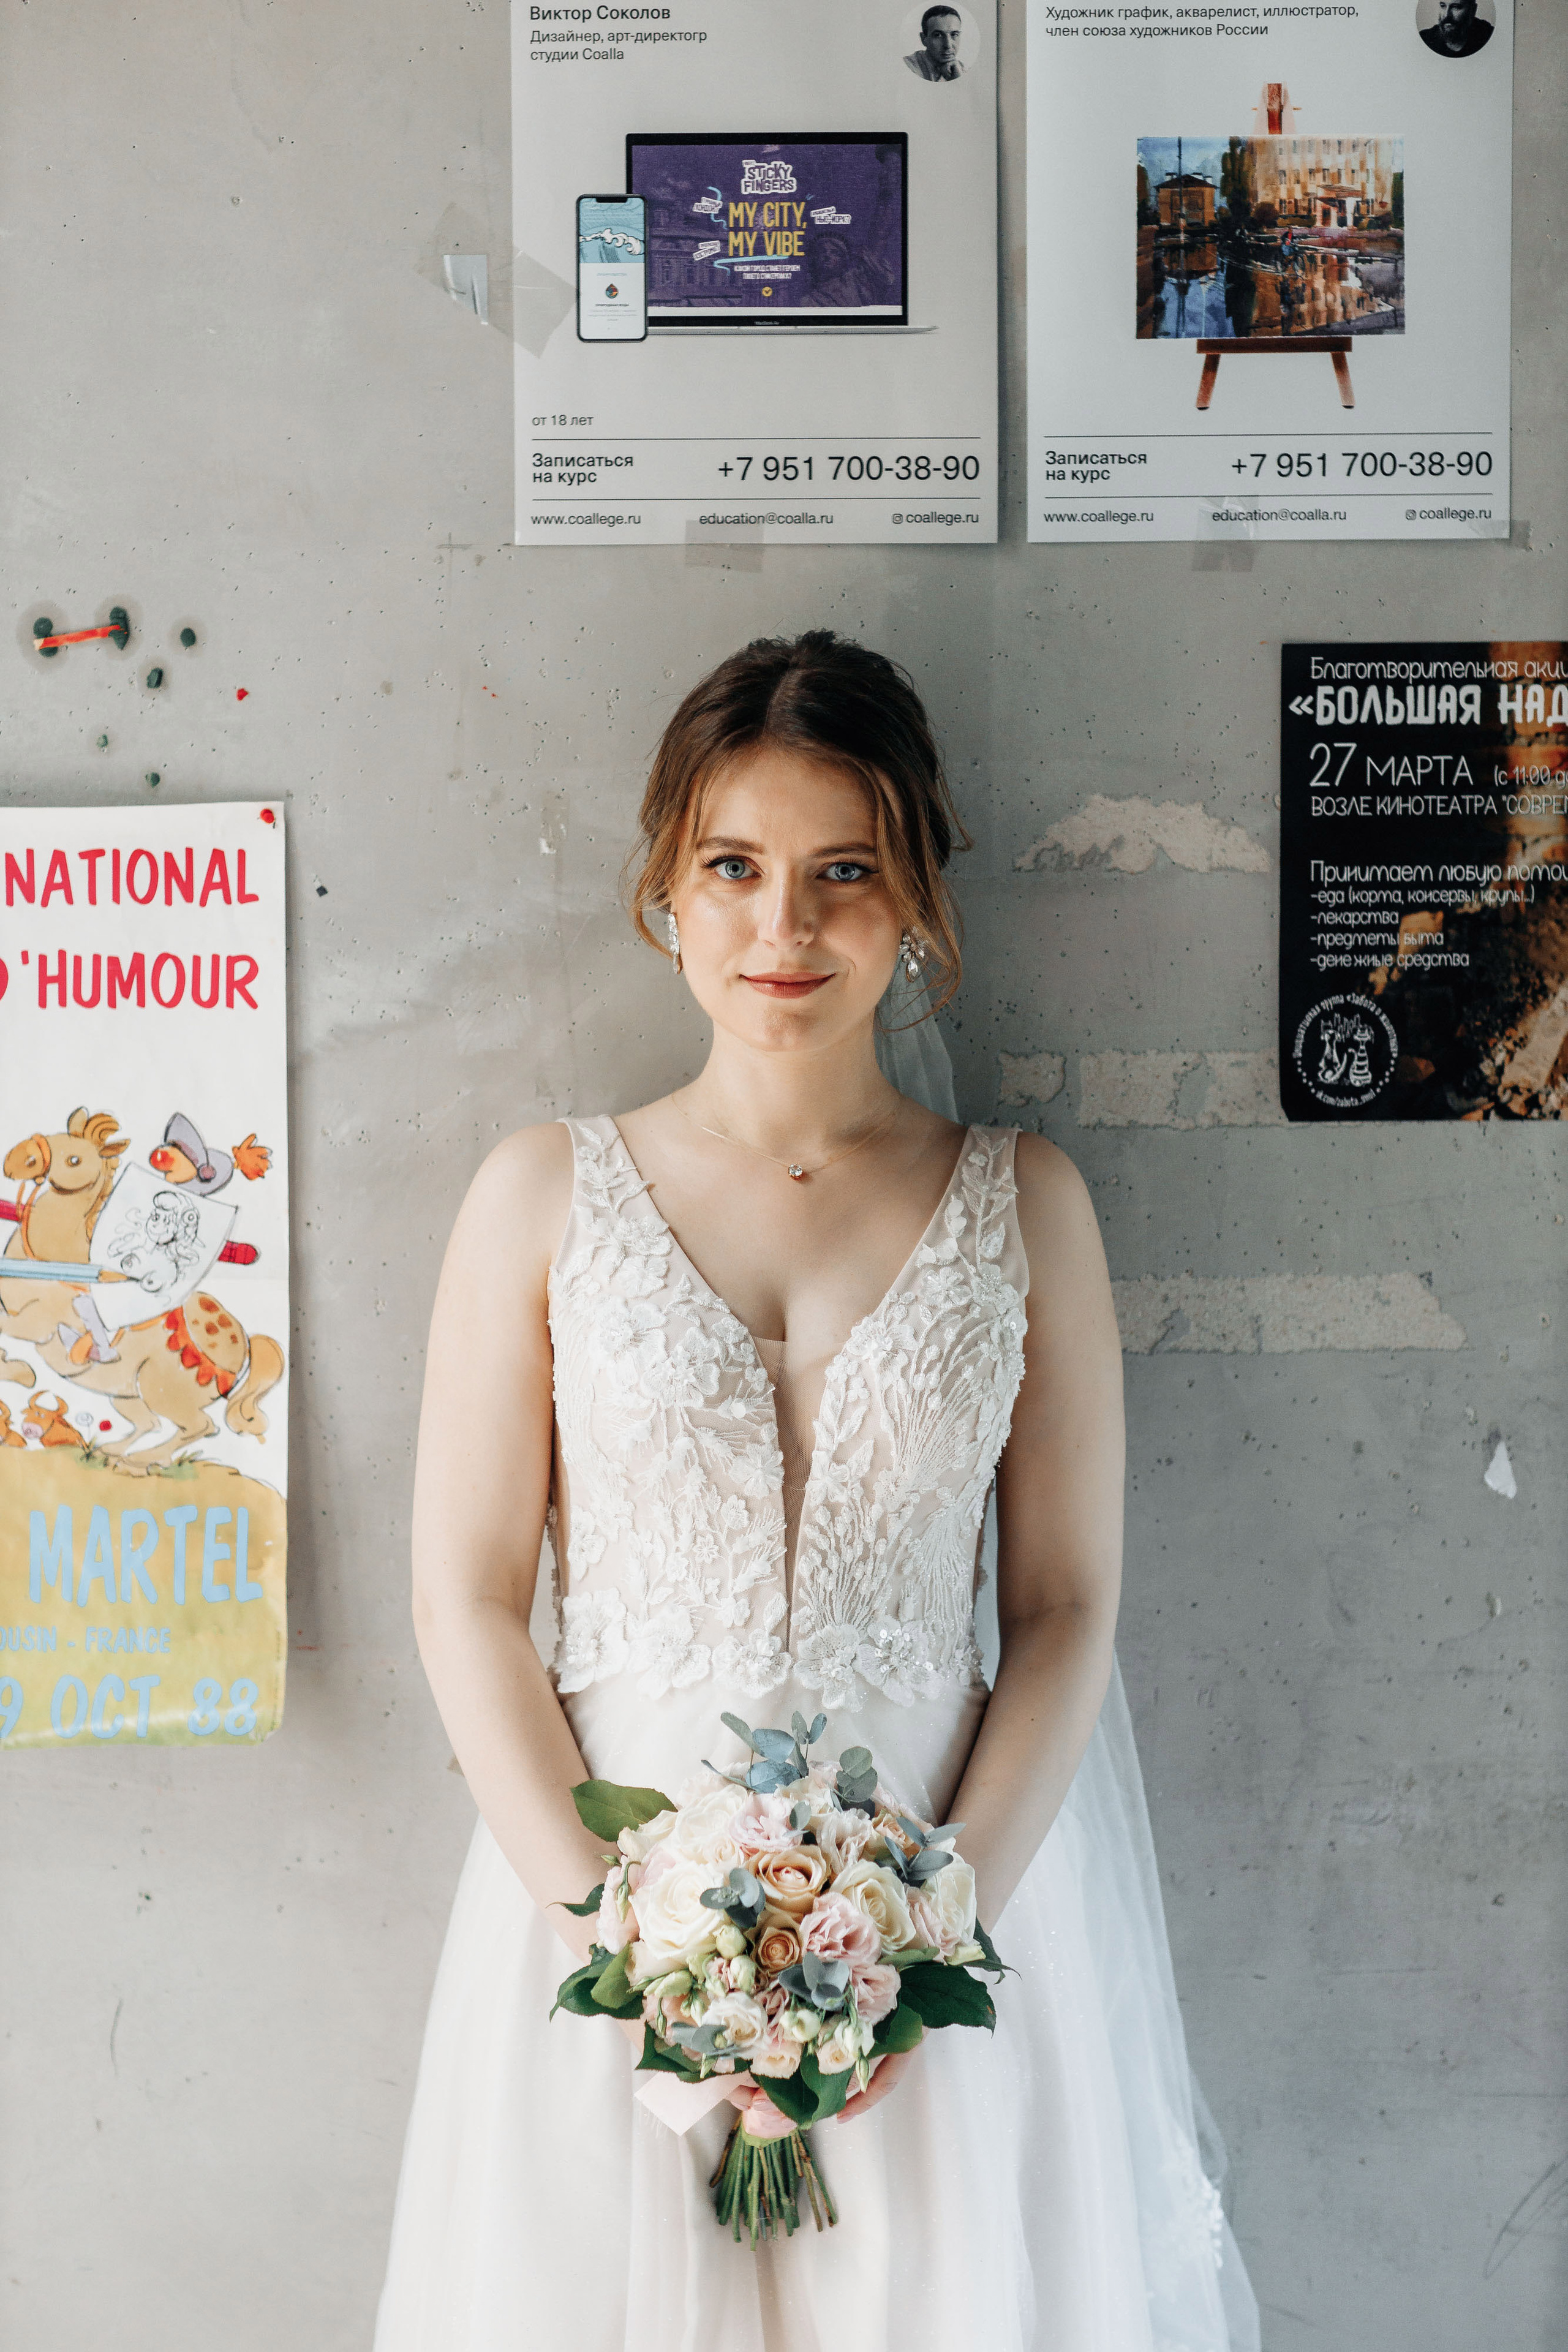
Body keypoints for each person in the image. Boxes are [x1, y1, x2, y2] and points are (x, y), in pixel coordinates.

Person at [376, 633, 1257, 2351]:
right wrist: (630, 1966)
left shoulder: (1029, 1202)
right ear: (664, 890)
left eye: (843, 874)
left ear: (917, 900)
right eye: (735, 869)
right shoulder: (539, 1195)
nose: (784, 929)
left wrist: (934, 1945)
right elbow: (465, 1597)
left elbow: (1068, 1606)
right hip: (608, 1917)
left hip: (945, 1907)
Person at [905, 4, 965, 80]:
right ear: (924, 39)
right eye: (938, 35)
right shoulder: (907, 68)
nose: (948, 45)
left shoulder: (961, 70)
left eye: (954, 35)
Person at [1419, 0, 1493, 57]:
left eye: (1456, 7)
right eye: (1443, 6)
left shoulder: (1489, 36)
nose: (1447, 15)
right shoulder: (1425, 39)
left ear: (1473, 10)